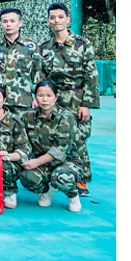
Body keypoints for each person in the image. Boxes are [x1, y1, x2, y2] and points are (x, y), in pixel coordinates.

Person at [39, 1, 100, 197]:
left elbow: (91, 75)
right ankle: (53, 177)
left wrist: (86, 104)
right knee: (53, 137)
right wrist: (40, 98)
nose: (56, 21)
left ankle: (81, 179)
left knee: (78, 139)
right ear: (48, 21)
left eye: (60, 17)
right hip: (53, 100)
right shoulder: (45, 47)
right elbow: (41, 76)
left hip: (76, 98)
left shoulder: (82, 44)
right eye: (53, 18)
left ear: (67, 19)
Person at [20, 80, 84, 212]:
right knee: (26, 176)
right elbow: (19, 139)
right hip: (41, 162)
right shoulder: (28, 116)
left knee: (61, 177)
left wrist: (36, 162)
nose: (44, 99)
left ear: (56, 97)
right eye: (40, 95)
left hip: (66, 161)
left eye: (49, 95)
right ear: (35, 97)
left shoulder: (66, 117)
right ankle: (46, 191)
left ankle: (73, 195)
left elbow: (60, 150)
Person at [0, 8, 44, 119]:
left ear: (20, 23)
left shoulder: (31, 47)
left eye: (12, 21)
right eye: (5, 21)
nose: (8, 24)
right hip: (0, 103)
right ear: (1, 24)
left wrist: (38, 97)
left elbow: (38, 74)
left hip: (24, 102)